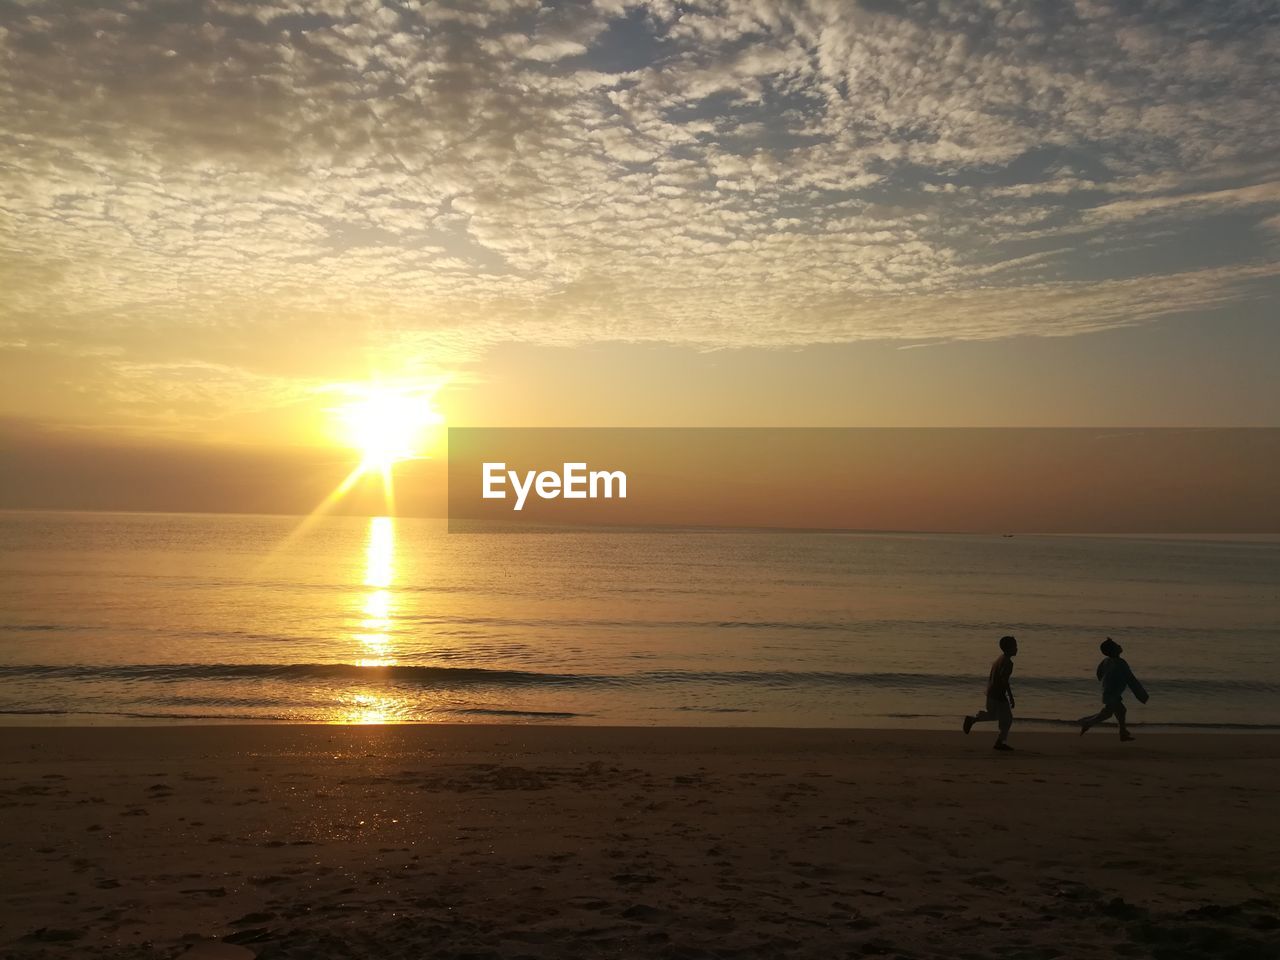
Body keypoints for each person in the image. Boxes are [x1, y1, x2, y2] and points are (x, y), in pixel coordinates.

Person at [1078, 637, 1148, 742]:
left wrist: (1104, 681)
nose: (1119, 646)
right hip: (1112, 693)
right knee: (1108, 713)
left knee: (1119, 711)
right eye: (1116, 645)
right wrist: (1141, 694)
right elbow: (1131, 679)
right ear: (1113, 650)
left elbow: (1099, 673)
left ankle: (1122, 733)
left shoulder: (1106, 661)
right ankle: (1087, 723)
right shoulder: (1120, 663)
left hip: (1109, 692)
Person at [963, 635, 1018, 751]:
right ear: (1009, 648)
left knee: (993, 715)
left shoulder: (1000, 659)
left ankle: (972, 719)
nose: (1017, 648)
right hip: (998, 695)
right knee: (1007, 719)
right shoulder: (1008, 663)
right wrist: (1010, 697)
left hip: (990, 692)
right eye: (1015, 646)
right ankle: (1000, 742)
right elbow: (1004, 680)